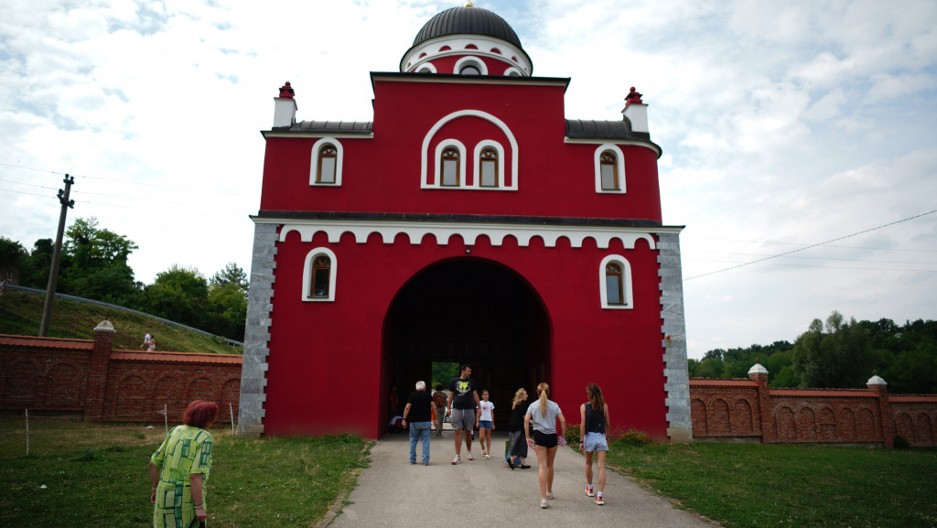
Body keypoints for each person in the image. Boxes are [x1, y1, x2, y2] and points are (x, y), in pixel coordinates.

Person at [150, 400, 218, 528]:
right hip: (185, 499)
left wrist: (154, 489)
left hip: (163, 494)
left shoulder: (176, 430)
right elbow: (195, 475)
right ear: (207, 419)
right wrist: (199, 507)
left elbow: (154, 463)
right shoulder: (205, 438)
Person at [525, 382, 567, 509]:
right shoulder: (554, 405)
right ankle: (549, 491)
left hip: (539, 436)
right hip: (551, 436)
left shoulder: (533, 405)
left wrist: (527, 437)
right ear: (548, 392)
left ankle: (543, 499)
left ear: (537, 392)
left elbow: (526, 420)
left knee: (542, 467)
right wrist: (563, 437)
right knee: (550, 465)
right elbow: (563, 421)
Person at [580, 383, 611, 505]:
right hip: (601, 436)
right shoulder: (604, 406)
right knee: (601, 466)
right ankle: (600, 496)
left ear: (589, 394)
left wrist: (581, 441)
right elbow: (607, 424)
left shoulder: (584, 406)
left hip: (589, 437)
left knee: (588, 463)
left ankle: (590, 488)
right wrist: (608, 436)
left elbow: (583, 425)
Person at [447, 363, 480, 465]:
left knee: (468, 431)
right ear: (463, 371)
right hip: (457, 409)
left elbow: (475, 394)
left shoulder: (472, 382)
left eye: (470, 371)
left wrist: (479, 407)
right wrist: (448, 407)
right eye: (468, 371)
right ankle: (457, 456)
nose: (470, 373)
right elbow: (451, 395)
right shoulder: (454, 381)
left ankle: (469, 451)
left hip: (469, 409)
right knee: (457, 430)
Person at [401, 380, 433, 465]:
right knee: (425, 441)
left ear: (416, 387)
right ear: (424, 387)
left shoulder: (412, 395)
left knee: (413, 440)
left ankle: (412, 460)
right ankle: (425, 461)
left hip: (414, 422)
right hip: (426, 421)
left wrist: (404, 419)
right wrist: (436, 418)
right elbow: (434, 407)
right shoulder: (428, 395)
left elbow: (407, 407)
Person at [506, 387, 530, 470]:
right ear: (521, 395)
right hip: (519, 427)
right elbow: (525, 418)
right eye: (526, 394)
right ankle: (511, 460)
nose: (527, 395)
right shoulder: (523, 405)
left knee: (520, 444)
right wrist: (533, 421)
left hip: (513, 426)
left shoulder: (515, 403)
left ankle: (523, 464)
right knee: (520, 445)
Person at [476, 389, 495, 459]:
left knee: (488, 437)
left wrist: (493, 423)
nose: (486, 396)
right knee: (481, 437)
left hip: (489, 421)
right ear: (482, 396)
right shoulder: (479, 403)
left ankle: (488, 452)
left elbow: (492, 414)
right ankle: (483, 447)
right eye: (485, 394)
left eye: (487, 394)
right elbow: (477, 413)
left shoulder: (491, 404)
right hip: (481, 421)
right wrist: (477, 422)